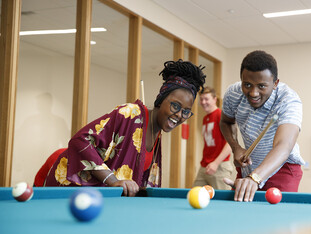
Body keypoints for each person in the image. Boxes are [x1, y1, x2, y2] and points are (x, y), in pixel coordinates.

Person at [44, 60, 205, 196]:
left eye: (186, 111)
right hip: (69, 190)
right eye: (175, 106)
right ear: (161, 99)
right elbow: (79, 141)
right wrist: (112, 180)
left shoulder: (157, 135)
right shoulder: (130, 113)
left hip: (100, 200)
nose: (179, 115)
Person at [220, 50, 304, 202]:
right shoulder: (233, 93)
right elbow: (226, 122)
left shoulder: (289, 100)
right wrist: (236, 147)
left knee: (279, 222)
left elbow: (283, 145)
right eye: (247, 85)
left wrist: (255, 177)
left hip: (282, 169)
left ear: (275, 83)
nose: (253, 93)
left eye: (261, 86)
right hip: (248, 169)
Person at [192, 87, 234, 190]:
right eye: (201, 99)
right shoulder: (205, 118)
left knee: (223, 201)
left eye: (206, 99)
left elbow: (231, 143)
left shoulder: (221, 115)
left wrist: (216, 163)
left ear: (214, 99)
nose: (203, 102)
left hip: (220, 166)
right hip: (205, 166)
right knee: (195, 194)